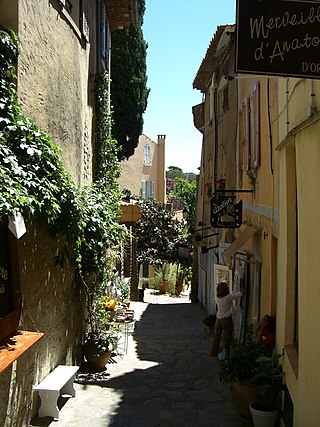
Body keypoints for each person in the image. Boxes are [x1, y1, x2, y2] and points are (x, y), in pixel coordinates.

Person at [211, 281, 243, 358]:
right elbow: (240, 294)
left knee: (216, 336)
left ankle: (213, 352)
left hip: (218, 319)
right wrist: (241, 283)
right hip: (226, 319)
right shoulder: (228, 297)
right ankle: (226, 353)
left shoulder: (217, 298)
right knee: (226, 337)